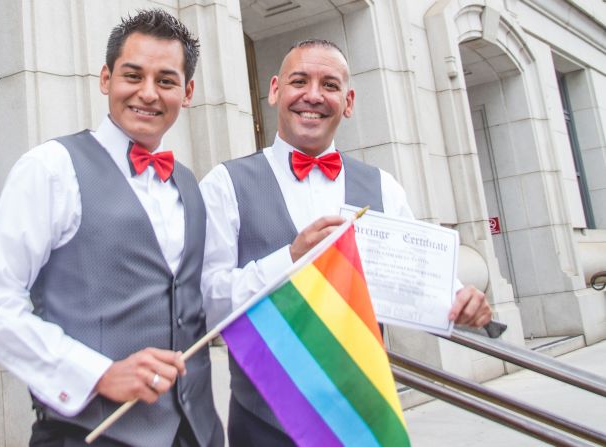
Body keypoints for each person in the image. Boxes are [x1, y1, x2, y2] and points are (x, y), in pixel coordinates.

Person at [200, 39, 492, 446]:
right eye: (299, 80)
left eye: (330, 85)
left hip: (360, 422)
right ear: (275, 91)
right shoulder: (224, 185)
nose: (313, 96)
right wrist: (291, 257)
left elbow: (424, 285)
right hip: (264, 423)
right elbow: (208, 302)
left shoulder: (383, 189)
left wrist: (463, 303)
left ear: (349, 100)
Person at [0, 9, 223, 447]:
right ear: (106, 79)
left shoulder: (190, 184)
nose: (147, 93)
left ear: (187, 91)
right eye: (132, 75)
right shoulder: (51, 168)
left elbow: (200, 300)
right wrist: (98, 373)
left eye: (165, 80)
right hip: (88, 433)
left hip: (197, 433)